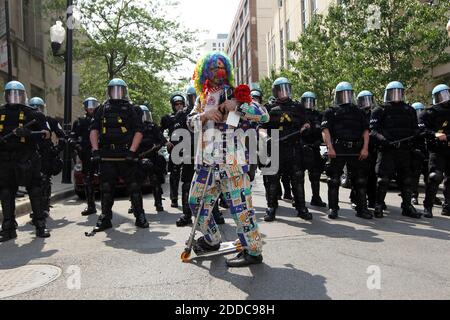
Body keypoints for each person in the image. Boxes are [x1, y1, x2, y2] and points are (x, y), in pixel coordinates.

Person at [187, 51, 269, 267]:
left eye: (222, 67)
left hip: (232, 164)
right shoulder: (201, 98)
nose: (219, 71)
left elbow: (263, 115)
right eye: (214, 68)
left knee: (241, 211)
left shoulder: (235, 93)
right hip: (205, 164)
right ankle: (212, 239)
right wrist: (204, 115)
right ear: (206, 71)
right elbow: (189, 123)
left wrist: (238, 106)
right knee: (195, 202)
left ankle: (253, 251)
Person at [89, 78, 148, 232]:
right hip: (107, 153)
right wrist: (95, 150)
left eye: (119, 90)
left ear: (124, 91)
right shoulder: (101, 109)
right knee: (106, 187)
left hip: (125, 152)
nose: (116, 93)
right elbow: (94, 130)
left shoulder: (131, 109)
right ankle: (105, 218)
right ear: (108, 91)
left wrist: (132, 151)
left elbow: (139, 130)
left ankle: (139, 215)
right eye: (113, 90)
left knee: (134, 186)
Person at [0, 81, 51, 241]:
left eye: (18, 94)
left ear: (23, 95)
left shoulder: (34, 114)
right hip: (5, 159)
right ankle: (8, 228)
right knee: (6, 193)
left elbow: (47, 134)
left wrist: (29, 133)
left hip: (28, 158)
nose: (14, 97)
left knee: (35, 191)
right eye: (11, 94)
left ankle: (40, 224)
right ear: (6, 95)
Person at [262, 77, 312, 222]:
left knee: (297, 178)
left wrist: (306, 128)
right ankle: (271, 208)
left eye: (286, 89)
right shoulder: (268, 108)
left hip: (294, 147)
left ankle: (301, 208)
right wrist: (266, 138)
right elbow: (261, 128)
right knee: (272, 180)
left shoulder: (298, 107)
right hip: (276, 148)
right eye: (281, 89)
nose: (284, 93)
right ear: (275, 91)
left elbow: (306, 124)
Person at [371, 81, 422, 219]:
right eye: (393, 92)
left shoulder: (409, 110)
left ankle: (407, 206)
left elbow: (415, 128)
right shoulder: (380, 110)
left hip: (405, 151)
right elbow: (373, 131)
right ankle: (379, 205)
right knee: (383, 180)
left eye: (399, 92)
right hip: (387, 150)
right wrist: (384, 140)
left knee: (406, 180)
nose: (396, 95)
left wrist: (417, 132)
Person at [322, 82, 372, 220]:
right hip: (338, 148)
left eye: (348, 94)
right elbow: (325, 131)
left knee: (360, 180)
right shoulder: (331, 111)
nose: (346, 97)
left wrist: (365, 148)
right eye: (343, 94)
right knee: (333, 180)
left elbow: (365, 131)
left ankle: (362, 208)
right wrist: (330, 147)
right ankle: (333, 208)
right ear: (337, 95)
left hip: (356, 148)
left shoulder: (359, 111)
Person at [29, 97, 65, 218]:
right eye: (33, 107)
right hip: (29, 154)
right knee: (32, 182)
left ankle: (44, 208)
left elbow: (62, 136)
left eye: (39, 107)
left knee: (44, 180)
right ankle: (36, 208)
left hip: (46, 154)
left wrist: (57, 149)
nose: (36, 110)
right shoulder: (25, 121)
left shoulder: (50, 121)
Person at [421, 84, 450, 218]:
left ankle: (447, 206)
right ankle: (428, 206)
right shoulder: (429, 113)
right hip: (436, 150)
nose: (445, 98)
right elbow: (421, 130)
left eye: (447, 94)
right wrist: (434, 134)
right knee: (435, 177)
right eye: (441, 95)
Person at [70, 97, 99, 216]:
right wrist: (77, 146)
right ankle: (91, 205)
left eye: (94, 105)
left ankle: (107, 210)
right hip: (86, 153)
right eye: (89, 106)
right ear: (85, 107)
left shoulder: (102, 119)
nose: (91, 108)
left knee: (107, 179)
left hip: (102, 152)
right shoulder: (80, 122)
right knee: (88, 179)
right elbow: (73, 137)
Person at [137, 105, 168, 212]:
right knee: (135, 183)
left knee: (155, 180)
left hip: (152, 157)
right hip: (138, 158)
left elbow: (161, 140)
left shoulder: (152, 127)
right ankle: (134, 205)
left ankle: (158, 203)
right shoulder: (133, 127)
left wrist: (158, 146)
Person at [161, 93, 187, 208]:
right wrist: (166, 142)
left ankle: (189, 198)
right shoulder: (168, 118)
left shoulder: (189, 115)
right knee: (174, 175)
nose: (179, 106)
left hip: (188, 150)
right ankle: (174, 198)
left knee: (188, 176)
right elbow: (158, 131)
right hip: (175, 150)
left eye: (181, 103)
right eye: (177, 104)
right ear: (173, 105)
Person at [302, 91, 327, 208]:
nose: (309, 104)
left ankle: (316, 198)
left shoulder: (319, 115)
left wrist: (319, 142)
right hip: (301, 148)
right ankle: (299, 199)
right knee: (298, 175)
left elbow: (323, 130)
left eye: (311, 101)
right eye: (306, 101)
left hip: (315, 147)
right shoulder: (299, 114)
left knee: (315, 175)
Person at [410, 102, 428, 206]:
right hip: (415, 153)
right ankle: (414, 196)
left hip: (426, 153)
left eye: (421, 111)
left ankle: (431, 197)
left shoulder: (427, 122)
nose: (419, 114)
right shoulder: (410, 124)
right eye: (417, 111)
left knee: (429, 176)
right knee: (415, 175)